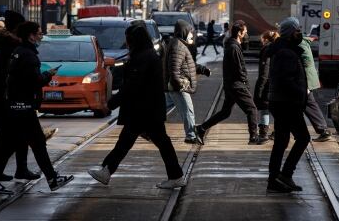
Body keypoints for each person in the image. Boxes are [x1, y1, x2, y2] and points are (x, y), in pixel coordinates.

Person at [88, 23, 185, 189]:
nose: (126, 42)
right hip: (147, 109)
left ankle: (107, 170)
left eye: (128, 38)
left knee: (135, 141)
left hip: (143, 110)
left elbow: (132, 85)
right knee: (134, 141)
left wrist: (112, 103)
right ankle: (107, 170)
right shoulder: (145, 55)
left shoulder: (143, 58)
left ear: (134, 40)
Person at [0, 22, 73, 195]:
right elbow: (35, 81)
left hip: (16, 107)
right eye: (39, 33)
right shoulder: (28, 56)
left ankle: (52, 178)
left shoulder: (18, 52)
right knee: (19, 145)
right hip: (22, 108)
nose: (41, 36)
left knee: (30, 143)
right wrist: (48, 75)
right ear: (30, 35)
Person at [0, 12, 40, 185]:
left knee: (11, 136)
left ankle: (10, 170)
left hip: (4, 96)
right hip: (7, 98)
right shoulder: (11, 46)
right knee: (7, 137)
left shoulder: (5, 44)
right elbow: (9, 74)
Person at [195, 20, 265, 145]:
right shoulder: (233, 47)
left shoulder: (233, 46)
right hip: (237, 85)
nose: (246, 35)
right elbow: (239, 68)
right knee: (252, 109)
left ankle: (201, 128)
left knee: (225, 112)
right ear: (239, 33)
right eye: (245, 32)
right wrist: (245, 84)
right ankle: (253, 137)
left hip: (231, 85)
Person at [265, 17, 310, 193]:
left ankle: (274, 179)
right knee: (303, 138)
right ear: (290, 33)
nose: (300, 33)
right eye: (298, 30)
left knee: (281, 141)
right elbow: (285, 79)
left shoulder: (285, 49)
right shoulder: (286, 52)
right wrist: (300, 92)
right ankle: (285, 174)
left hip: (281, 102)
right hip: (287, 103)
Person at [163, 20, 200, 144]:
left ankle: (145, 128)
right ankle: (191, 135)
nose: (191, 35)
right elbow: (174, 68)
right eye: (190, 33)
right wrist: (179, 85)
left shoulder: (178, 44)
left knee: (162, 108)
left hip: (174, 85)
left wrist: (202, 69)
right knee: (188, 110)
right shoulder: (178, 46)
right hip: (179, 86)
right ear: (184, 32)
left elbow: (186, 64)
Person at [300, 34, 332, 142]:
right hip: (305, 81)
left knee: (307, 104)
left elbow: (306, 61)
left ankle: (323, 130)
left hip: (304, 81)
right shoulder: (302, 42)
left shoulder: (299, 43)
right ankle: (323, 130)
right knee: (307, 104)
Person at [254, 30, 278, 141]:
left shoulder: (267, 50)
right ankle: (277, 131)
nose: (261, 42)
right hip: (276, 83)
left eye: (262, 39)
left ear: (266, 39)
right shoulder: (277, 48)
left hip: (268, 84)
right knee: (275, 108)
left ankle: (263, 134)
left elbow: (264, 72)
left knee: (264, 107)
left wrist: (259, 89)